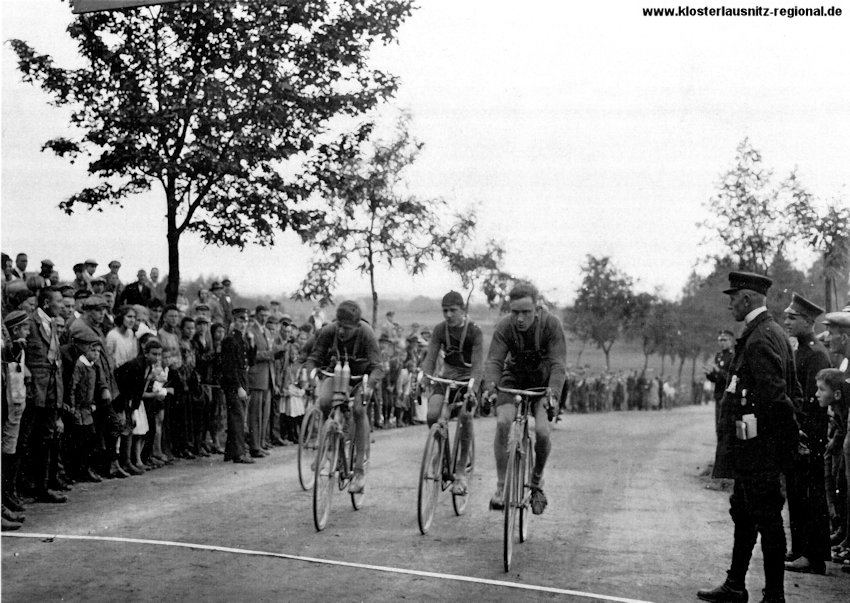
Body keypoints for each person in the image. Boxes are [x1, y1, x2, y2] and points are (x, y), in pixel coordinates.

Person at [698, 272, 800, 603]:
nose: (730, 304)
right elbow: (791, 390)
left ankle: (774, 596)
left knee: (767, 520)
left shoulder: (760, 338)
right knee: (743, 513)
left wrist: (786, 442)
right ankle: (735, 584)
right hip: (754, 449)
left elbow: (777, 397)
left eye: (733, 298)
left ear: (747, 299)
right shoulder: (771, 333)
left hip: (761, 450)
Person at [483, 282, 565, 515]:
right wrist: (490, 387)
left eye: (526, 312)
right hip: (514, 379)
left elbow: (559, 364)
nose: (519, 318)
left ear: (537, 309)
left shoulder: (551, 325)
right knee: (502, 422)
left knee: (542, 431)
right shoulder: (504, 327)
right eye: (515, 312)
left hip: (543, 383)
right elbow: (495, 362)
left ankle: (537, 481)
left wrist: (553, 394)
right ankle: (501, 488)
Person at [303, 300, 382, 494]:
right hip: (336, 374)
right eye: (339, 325)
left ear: (356, 326)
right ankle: (329, 447)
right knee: (323, 401)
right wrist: (311, 374)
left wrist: (370, 385)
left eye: (346, 328)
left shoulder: (366, 333)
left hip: (360, 378)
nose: (341, 331)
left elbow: (378, 367)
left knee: (358, 410)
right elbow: (314, 357)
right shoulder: (329, 331)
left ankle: (359, 471)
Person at [781, 293, 832, 574]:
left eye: (792, 317)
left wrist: (801, 432)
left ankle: (814, 556)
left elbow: (814, 403)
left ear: (808, 321)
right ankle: (800, 548)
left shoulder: (815, 354)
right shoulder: (800, 350)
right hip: (799, 433)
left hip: (810, 435)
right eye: (786, 316)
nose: (786, 321)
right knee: (797, 493)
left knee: (810, 495)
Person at [421, 291, 484, 495]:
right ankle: (440, 447)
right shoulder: (440, 329)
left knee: (465, 416)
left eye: (453, 311)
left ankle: (460, 472)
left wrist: (472, 389)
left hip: (468, 378)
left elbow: (477, 365)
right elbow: (431, 357)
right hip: (447, 376)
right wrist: (425, 377)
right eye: (445, 310)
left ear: (462, 310)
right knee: (432, 414)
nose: (448, 315)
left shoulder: (474, 331)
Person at [2, 310, 31, 527]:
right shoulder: (10, 347)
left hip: (15, 406)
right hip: (6, 406)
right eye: (24, 328)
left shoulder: (18, 348)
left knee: (10, 454)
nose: (28, 332)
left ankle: (4, 500)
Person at [221, 308, 255, 463]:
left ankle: (230, 452)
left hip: (242, 380)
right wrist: (238, 387)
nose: (243, 324)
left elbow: (250, 362)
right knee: (238, 418)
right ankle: (239, 453)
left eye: (245, 321)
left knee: (236, 417)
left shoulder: (243, 339)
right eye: (240, 321)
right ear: (234, 320)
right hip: (234, 383)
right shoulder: (230, 340)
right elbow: (230, 367)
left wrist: (252, 344)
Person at [705, 329, 735, 433]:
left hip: (727, 395)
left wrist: (719, 370)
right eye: (720, 340)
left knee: (725, 424)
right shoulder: (718, 356)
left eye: (724, 340)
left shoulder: (732, 357)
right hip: (719, 394)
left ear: (730, 341)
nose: (721, 343)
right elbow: (716, 379)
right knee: (718, 425)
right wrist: (709, 374)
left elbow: (731, 378)